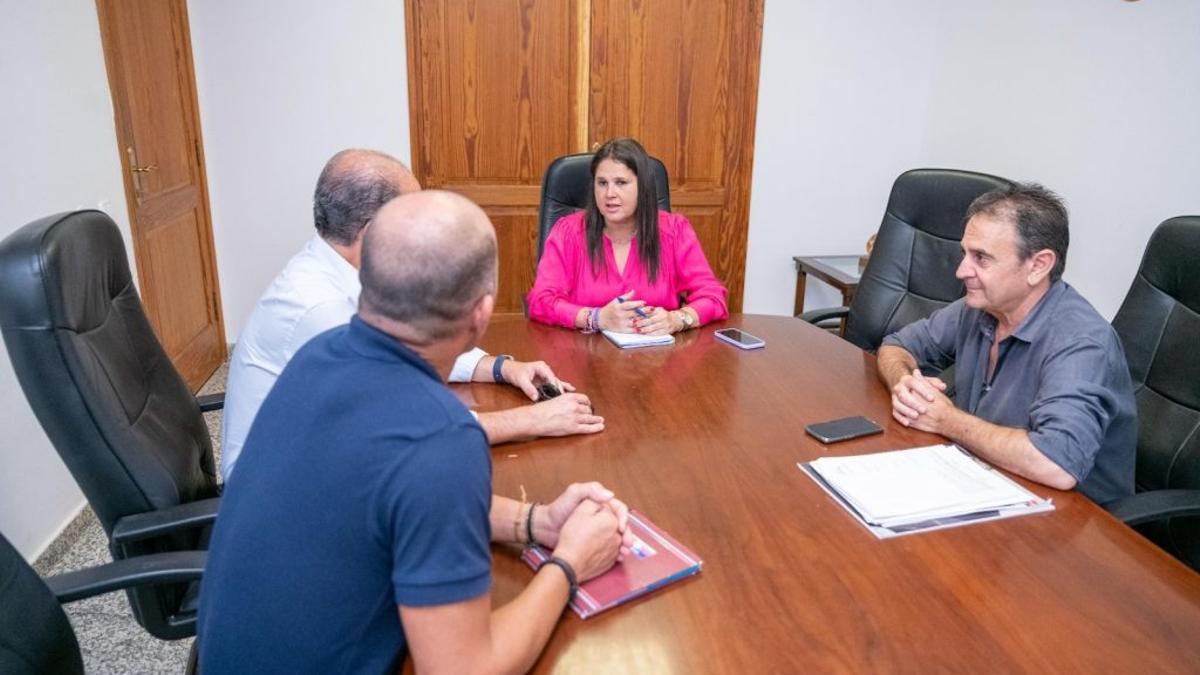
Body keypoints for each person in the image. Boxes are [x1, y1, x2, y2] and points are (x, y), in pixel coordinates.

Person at [198, 191, 633, 673]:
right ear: (481, 313)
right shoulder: (441, 442)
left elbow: (391, 497)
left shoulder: (317, 356)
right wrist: (570, 563)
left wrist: (536, 523)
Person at [220, 149, 604, 481]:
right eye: (411, 215)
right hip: (281, 487)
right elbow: (402, 426)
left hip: (321, 455)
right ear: (373, 232)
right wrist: (532, 422)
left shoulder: (344, 267)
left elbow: (414, 338)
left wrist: (503, 368)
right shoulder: (319, 310)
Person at [876, 183, 1136, 503]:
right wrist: (905, 384)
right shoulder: (983, 307)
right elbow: (896, 345)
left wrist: (945, 419)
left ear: (1038, 266)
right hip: (987, 482)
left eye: (981, 258)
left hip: (1074, 526)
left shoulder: (1081, 342)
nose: (961, 271)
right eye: (965, 254)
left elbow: (1056, 464)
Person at [527, 137, 728, 335]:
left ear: (644, 187)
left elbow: (712, 296)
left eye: (621, 182)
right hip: (585, 357)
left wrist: (677, 320)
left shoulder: (675, 231)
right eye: (602, 183)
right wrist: (595, 318)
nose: (609, 193)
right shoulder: (569, 232)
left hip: (658, 358)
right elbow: (540, 300)